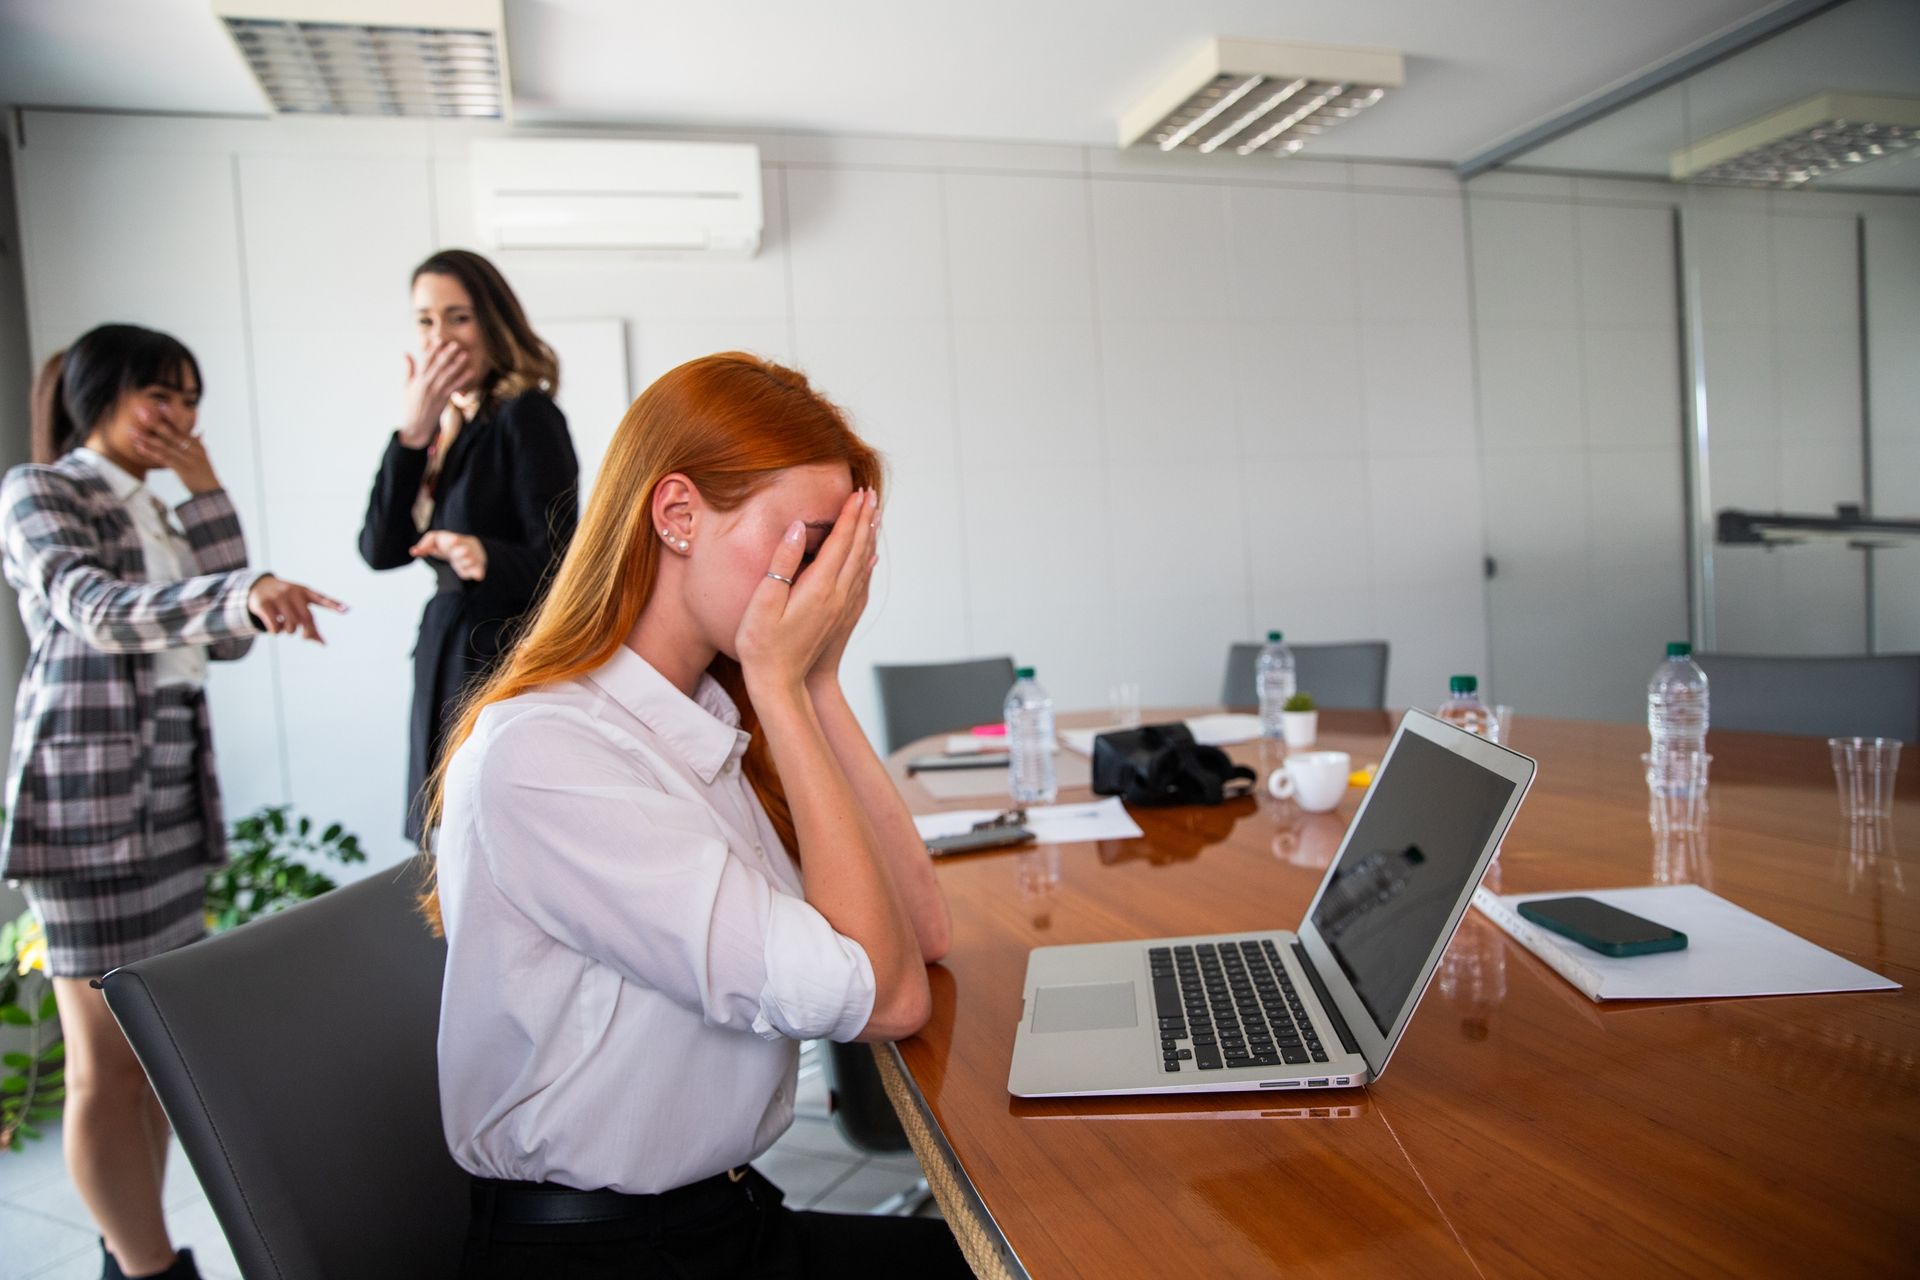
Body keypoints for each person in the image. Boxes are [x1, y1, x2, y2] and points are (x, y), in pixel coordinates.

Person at [425, 353, 971, 1278]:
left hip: (724, 1220)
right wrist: (783, 686)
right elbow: (890, 999)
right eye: (808, 545)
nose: (822, 585)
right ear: (677, 515)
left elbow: (920, 934)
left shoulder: (704, 719)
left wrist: (817, 681)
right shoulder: (552, 755)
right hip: (605, 1257)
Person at [1, 325, 345, 1280]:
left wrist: (205, 496)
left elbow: (229, 638)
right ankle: (149, 1268)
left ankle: (133, 1254)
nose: (179, 416)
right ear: (97, 393)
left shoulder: (159, 506)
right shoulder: (42, 492)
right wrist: (244, 589)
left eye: (191, 400)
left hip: (169, 802)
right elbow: (95, 610)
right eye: (160, 393)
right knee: (101, 1063)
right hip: (85, 810)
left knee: (147, 1055)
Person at [358, 248, 578, 843]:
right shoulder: (448, 427)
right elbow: (380, 548)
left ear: (492, 321)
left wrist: (485, 555)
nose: (441, 338)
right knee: (448, 829)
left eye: (458, 318)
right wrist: (413, 432)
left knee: (487, 828)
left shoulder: (526, 416)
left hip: (495, 650)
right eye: (426, 321)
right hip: (446, 644)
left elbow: (565, 563)